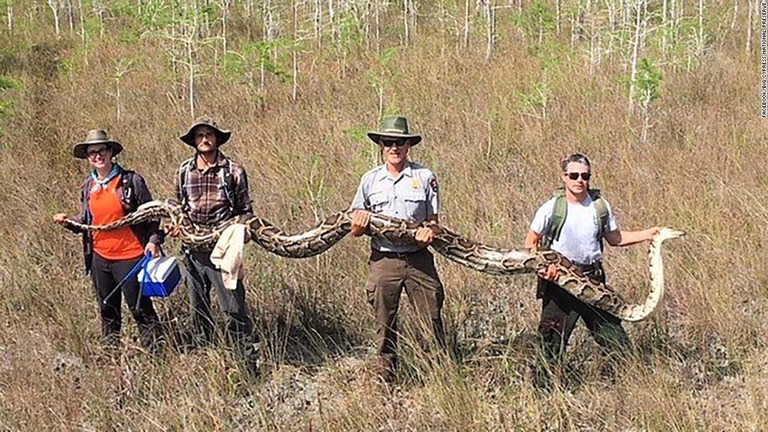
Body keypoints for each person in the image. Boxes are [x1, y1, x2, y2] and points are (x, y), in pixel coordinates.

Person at [523, 152, 659, 389]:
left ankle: (633, 387)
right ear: (563, 177)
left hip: (593, 281)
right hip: (560, 284)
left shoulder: (599, 206)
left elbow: (615, 238)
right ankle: (542, 395)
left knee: (614, 338)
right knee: (551, 342)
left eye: (584, 176)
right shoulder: (551, 207)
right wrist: (546, 270)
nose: (579, 180)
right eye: (573, 175)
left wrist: (648, 234)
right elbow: (530, 243)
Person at [350, 115, 446, 383]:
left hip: (418, 259)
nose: (394, 147)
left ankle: (437, 377)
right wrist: (358, 225)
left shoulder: (425, 177)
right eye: (389, 142)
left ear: (408, 145)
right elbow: (355, 227)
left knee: (431, 319)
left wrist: (430, 232)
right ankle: (386, 379)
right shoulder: (370, 180)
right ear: (381, 144)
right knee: (384, 323)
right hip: (384, 259)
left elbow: (435, 224)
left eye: (400, 142)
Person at [53, 129, 164, 352]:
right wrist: (69, 222)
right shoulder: (88, 187)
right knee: (107, 308)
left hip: (131, 256)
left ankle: (157, 355)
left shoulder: (131, 181)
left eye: (101, 150)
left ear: (111, 152)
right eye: (92, 152)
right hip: (100, 258)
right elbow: (88, 221)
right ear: (87, 157)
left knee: (139, 308)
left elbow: (153, 213)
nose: (97, 156)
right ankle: (111, 354)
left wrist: (153, 240)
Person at [173, 116, 258, 373]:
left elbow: (246, 210)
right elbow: (178, 207)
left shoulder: (233, 171)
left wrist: (244, 230)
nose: (204, 139)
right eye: (199, 135)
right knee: (197, 308)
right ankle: (204, 360)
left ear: (217, 138)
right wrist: (173, 226)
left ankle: (246, 362)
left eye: (209, 134)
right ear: (194, 141)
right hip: (192, 251)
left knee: (233, 307)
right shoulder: (184, 171)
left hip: (224, 251)